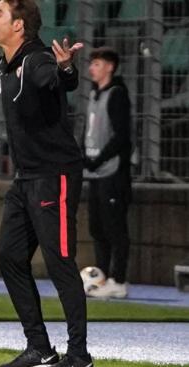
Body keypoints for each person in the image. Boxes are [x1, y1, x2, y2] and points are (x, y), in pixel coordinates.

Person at [0, 1, 94, 367]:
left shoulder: (36, 61)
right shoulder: (5, 62)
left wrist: (67, 66)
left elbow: (61, 80)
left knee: (60, 264)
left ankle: (80, 360)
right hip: (25, 180)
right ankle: (40, 349)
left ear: (19, 25)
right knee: (9, 258)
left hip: (56, 176)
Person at [83, 47, 132, 299]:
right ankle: (101, 278)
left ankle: (119, 280)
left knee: (115, 229)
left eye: (97, 64)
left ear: (110, 67)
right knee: (97, 228)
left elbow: (121, 136)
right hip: (95, 173)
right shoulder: (94, 96)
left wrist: (98, 158)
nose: (92, 68)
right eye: (92, 64)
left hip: (112, 173)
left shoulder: (117, 95)